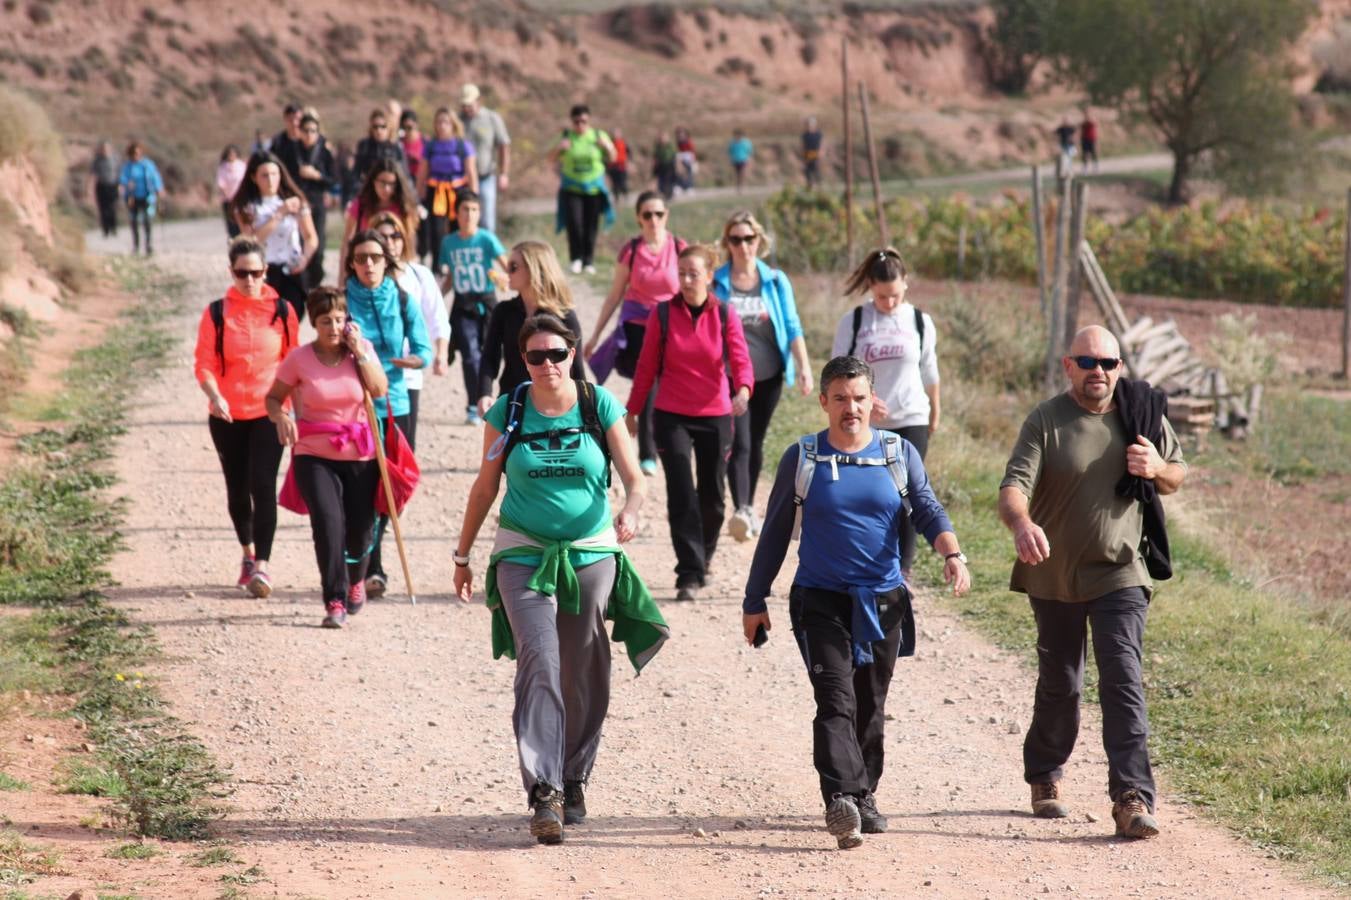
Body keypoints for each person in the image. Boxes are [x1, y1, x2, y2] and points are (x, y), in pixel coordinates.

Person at [741, 355, 971, 850]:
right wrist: (754, 597)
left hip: (883, 599)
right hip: (819, 598)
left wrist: (952, 553)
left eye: (860, 398)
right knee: (835, 699)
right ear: (824, 401)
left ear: (873, 401)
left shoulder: (897, 453)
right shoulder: (803, 458)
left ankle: (864, 794)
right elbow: (777, 531)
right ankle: (841, 797)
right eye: (841, 398)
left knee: (871, 701)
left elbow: (927, 508)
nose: (851, 408)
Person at [453, 313, 666, 846]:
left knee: (585, 666)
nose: (547, 364)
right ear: (522, 360)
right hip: (524, 551)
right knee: (541, 659)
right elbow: (484, 488)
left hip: (591, 552)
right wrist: (462, 555)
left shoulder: (598, 404)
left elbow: (635, 478)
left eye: (556, 354)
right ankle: (543, 791)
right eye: (535, 356)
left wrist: (633, 510)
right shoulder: (510, 410)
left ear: (573, 354)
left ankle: (575, 776)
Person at [998, 325, 1186, 840]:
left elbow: (1177, 474)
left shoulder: (1141, 414)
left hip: (1121, 570)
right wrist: (1022, 523)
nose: (1098, 371)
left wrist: (1156, 468)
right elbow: (1014, 485)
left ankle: (1132, 797)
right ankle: (1044, 774)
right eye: (1087, 362)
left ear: (1120, 368)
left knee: (1122, 679)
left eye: (1108, 363)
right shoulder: (1046, 419)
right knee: (1062, 682)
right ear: (1068, 366)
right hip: (1053, 572)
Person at [625, 243, 753, 602]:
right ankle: (689, 573)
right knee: (682, 491)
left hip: (715, 414)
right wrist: (633, 410)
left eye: (693, 273)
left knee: (713, 496)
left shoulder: (725, 314)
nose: (686, 280)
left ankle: (704, 557)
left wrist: (743, 389)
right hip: (671, 415)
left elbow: (741, 360)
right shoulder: (663, 314)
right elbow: (646, 366)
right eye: (681, 273)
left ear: (710, 276)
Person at [266, 287, 388, 629]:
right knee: (328, 523)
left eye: (339, 320)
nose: (333, 327)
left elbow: (378, 390)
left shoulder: (359, 352)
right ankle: (333, 598)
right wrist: (282, 417)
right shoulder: (299, 359)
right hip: (313, 453)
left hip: (359, 453)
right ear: (314, 323)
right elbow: (274, 398)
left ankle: (356, 580)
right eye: (325, 321)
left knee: (362, 529)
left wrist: (360, 351)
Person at [193, 236, 300, 599]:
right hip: (226, 415)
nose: (250, 280)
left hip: (269, 413)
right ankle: (247, 553)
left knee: (262, 485)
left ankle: (263, 567)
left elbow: (294, 363)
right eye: (242, 273)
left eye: (256, 272)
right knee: (237, 489)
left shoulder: (283, 311)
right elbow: (204, 363)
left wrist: (296, 412)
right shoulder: (216, 313)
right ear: (231, 272)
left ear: (266, 271)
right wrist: (214, 394)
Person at [830, 248, 939, 575]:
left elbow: (929, 369)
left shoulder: (920, 321)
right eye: (881, 296)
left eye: (893, 295)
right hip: (867, 422)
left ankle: (901, 571)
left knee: (907, 492)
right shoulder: (856, 321)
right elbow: (837, 369)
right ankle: (866, 559)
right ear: (870, 288)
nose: (888, 303)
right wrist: (864, 399)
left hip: (912, 417)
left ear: (905, 283)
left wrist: (936, 410)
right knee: (872, 493)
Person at [341, 229, 433, 598]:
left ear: (386, 261)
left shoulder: (401, 296)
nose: (368, 265)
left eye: (375, 258)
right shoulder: (343, 300)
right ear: (351, 263)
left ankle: (372, 565)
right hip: (354, 407)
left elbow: (424, 347)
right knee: (362, 490)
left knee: (391, 488)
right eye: (361, 258)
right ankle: (368, 567)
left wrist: (416, 359)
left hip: (396, 402)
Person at [714, 211, 812, 543]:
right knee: (738, 440)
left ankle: (748, 505)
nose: (743, 246)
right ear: (727, 243)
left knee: (754, 441)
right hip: (729, 377)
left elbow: (793, 324)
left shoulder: (774, 280)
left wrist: (804, 367)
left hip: (769, 374)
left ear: (759, 241)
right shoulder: (717, 282)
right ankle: (742, 507)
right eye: (736, 239)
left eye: (748, 239)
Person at [583, 191, 685, 476]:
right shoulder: (632, 250)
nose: (653, 220)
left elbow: (694, 291)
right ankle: (648, 454)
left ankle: (669, 441)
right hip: (639, 326)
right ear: (639, 219)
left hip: (672, 325)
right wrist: (595, 335)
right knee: (650, 382)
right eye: (647, 214)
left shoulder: (679, 247)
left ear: (667, 216)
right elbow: (615, 295)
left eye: (659, 214)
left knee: (671, 386)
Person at [477, 241, 586, 416]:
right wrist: (484, 393)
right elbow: (490, 356)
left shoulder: (564, 315)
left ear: (534, 270)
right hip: (513, 400)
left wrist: (585, 408)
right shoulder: (503, 311)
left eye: (513, 266)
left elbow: (577, 367)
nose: (507, 271)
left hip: (556, 406)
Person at [371, 212, 449, 449]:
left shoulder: (418, 274)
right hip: (371, 370)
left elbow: (437, 317)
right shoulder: (366, 277)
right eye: (382, 237)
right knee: (373, 443)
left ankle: (400, 487)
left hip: (408, 372)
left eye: (395, 235)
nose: (390, 242)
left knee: (405, 444)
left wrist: (441, 354)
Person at [437, 190, 508, 426]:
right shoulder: (449, 242)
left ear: (480, 213)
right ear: (456, 213)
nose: (470, 214)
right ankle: (473, 403)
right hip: (462, 304)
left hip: (488, 302)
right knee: (470, 355)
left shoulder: (487, 239)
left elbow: (508, 268)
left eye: (475, 210)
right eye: (465, 209)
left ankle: (499, 400)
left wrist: (502, 278)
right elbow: (449, 279)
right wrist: (435, 298)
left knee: (493, 353)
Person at [231, 152, 318, 323]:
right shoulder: (246, 207)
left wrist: (305, 258)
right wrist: (279, 214)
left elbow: (310, 237)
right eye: (264, 175)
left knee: (291, 321)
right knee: (266, 323)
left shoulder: (295, 202)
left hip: (292, 271)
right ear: (254, 178)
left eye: (274, 174)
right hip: (263, 274)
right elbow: (251, 241)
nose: (270, 180)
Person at [550, 104, 615, 274]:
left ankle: (589, 261)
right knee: (575, 224)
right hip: (572, 188)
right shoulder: (566, 137)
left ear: (589, 120)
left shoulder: (598, 136)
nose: (580, 125)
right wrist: (559, 149)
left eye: (584, 121)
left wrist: (606, 147)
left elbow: (614, 157)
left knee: (591, 225)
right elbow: (549, 158)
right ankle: (576, 259)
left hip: (594, 189)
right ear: (572, 122)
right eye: (577, 121)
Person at [277, 114, 336, 288]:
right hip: (297, 204)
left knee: (318, 244)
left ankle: (315, 280)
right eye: (306, 130)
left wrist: (316, 175)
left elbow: (333, 179)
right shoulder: (290, 151)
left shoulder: (324, 152)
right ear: (299, 131)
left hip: (316, 202)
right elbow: (283, 176)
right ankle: (302, 281)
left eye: (313, 131)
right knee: (299, 244)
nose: (309, 134)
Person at [415, 108, 478, 263]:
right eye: (439, 122)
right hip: (436, 192)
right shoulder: (430, 146)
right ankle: (437, 265)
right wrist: (419, 196)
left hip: (458, 191)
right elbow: (422, 172)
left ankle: (458, 262)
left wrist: (474, 197)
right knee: (436, 230)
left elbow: (471, 172)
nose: (442, 126)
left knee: (458, 226)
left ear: (453, 124)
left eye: (446, 122)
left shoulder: (463, 146)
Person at [337, 159, 419, 278]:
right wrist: (342, 276)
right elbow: (347, 241)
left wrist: (412, 271)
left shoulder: (404, 207)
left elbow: (410, 240)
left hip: (397, 267)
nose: (386, 189)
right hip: (368, 266)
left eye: (392, 184)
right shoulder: (361, 205)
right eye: (382, 183)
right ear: (373, 181)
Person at [458, 83, 512, 233]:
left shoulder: (491, 118)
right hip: (463, 180)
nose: (467, 108)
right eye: (464, 105)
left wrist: (504, 174)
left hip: (485, 177)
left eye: (470, 104)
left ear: (478, 100)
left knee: (486, 220)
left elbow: (504, 145)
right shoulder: (458, 121)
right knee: (463, 220)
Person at [119, 141, 164, 255]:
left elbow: (155, 177)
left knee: (147, 220)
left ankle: (148, 245)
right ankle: (136, 246)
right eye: (134, 154)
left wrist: (159, 189)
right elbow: (122, 179)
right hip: (132, 198)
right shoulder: (127, 167)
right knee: (133, 221)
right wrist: (125, 185)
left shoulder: (148, 164)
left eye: (138, 153)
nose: (136, 156)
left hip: (148, 197)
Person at [352, 109, 409, 188]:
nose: (379, 130)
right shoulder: (365, 146)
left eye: (383, 126)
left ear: (389, 127)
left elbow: (405, 175)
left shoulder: (395, 147)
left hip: (390, 190)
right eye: (375, 127)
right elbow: (356, 173)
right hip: (369, 190)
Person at [89, 141, 120, 238]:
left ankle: (113, 228)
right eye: (103, 149)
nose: (105, 151)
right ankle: (105, 230)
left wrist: (121, 185)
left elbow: (120, 171)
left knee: (112, 208)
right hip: (101, 186)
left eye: (107, 149)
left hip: (113, 185)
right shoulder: (97, 160)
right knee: (103, 209)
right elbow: (93, 174)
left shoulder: (115, 158)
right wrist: (89, 188)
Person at [216, 145, 247, 240]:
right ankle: (234, 239)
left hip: (241, 198)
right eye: (229, 154)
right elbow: (221, 182)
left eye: (233, 154)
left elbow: (245, 180)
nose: (231, 156)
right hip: (228, 199)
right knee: (231, 222)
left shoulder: (241, 165)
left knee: (242, 220)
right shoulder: (223, 167)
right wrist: (226, 194)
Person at [270, 102, 303, 171]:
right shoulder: (278, 142)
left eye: (298, 119)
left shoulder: (309, 141)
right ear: (285, 119)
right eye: (290, 120)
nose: (294, 123)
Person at [400, 110, 424, 187]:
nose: (407, 130)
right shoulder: (399, 143)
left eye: (409, 127)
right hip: (404, 182)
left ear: (416, 125)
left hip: (420, 182)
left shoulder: (425, 142)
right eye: (404, 128)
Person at [652, 131, 677, 201]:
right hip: (661, 166)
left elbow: (674, 155)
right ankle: (665, 194)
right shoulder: (658, 147)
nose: (663, 139)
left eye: (664, 138)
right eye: (661, 138)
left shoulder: (670, 146)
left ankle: (670, 195)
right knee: (661, 182)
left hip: (669, 166)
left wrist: (677, 165)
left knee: (669, 181)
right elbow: (655, 157)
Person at [606, 126, 629, 203]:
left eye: (617, 133)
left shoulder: (623, 143)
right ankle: (617, 198)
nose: (615, 135)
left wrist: (629, 163)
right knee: (614, 184)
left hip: (621, 166)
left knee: (622, 183)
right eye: (614, 133)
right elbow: (606, 154)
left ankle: (625, 196)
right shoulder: (609, 143)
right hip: (612, 166)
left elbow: (629, 153)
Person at [801, 117, 824, 189]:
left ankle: (819, 186)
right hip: (808, 154)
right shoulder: (805, 135)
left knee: (816, 170)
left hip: (816, 154)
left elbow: (822, 144)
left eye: (811, 124)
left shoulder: (818, 134)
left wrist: (821, 152)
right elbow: (803, 145)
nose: (809, 126)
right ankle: (809, 186)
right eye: (808, 124)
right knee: (807, 171)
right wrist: (803, 156)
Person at [674, 126, 697, 193]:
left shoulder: (688, 142)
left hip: (689, 159)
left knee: (689, 172)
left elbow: (692, 152)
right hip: (682, 160)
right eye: (679, 134)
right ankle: (680, 186)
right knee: (679, 171)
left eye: (681, 133)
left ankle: (689, 186)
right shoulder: (678, 142)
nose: (680, 135)